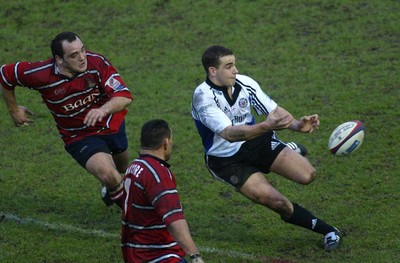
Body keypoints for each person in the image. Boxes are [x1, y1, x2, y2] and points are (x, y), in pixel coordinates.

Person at [191, 45, 342, 251]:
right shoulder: (203, 97)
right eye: (228, 66)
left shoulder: (244, 83)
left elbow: (274, 111)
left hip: (257, 142)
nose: (235, 70)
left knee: (307, 175)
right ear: (212, 71)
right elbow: (229, 133)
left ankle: (285, 147)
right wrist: (265, 126)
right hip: (227, 160)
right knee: (274, 200)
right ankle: (328, 231)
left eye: (234, 64)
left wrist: (298, 125)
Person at [0, 32, 133, 207]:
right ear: (59, 59)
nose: (82, 58)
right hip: (79, 136)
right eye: (74, 55)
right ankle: (134, 219)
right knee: (111, 176)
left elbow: (125, 96)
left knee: (122, 168)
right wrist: (14, 110)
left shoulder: (97, 63)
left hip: (111, 124)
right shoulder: (40, 74)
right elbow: (4, 74)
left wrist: (103, 110)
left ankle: (111, 189)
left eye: (83, 50)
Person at [122, 119, 204, 263]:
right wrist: (194, 255)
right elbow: (174, 219)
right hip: (158, 256)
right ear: (165, 143)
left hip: (135, 253)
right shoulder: (157, 174)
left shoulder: (134, 167)